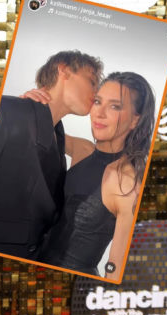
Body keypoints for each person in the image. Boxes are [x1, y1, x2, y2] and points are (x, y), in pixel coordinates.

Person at [0, 51, 103, 260]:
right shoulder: (7, 111)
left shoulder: (58, 136)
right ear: (64, 70)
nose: (97, 92)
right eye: (92, 81)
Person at [35, 72, 155, 280]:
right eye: (98, 102)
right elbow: (40, 125)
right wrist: (34, 101)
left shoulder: (127, 183)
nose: (99, 113)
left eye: (115, 106)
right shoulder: (83, 150)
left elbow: (117, 268)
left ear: (135, 120)